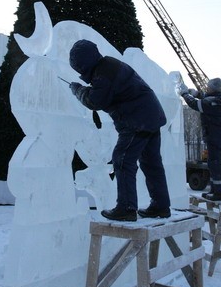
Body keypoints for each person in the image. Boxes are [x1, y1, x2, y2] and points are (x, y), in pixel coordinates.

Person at [69, 39, 171, 222]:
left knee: (122, 160)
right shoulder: (108, 66)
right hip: (150, 116)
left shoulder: (103, 73)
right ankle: (161, 206)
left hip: (136, 120)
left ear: (83, 63)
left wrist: (78, 90)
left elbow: (95, 101)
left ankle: (126, 207)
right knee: (151, 163)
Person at [179, 77, 221, 201]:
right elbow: (206, 97)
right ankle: (215, 190)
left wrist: (185, 94)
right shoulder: (219, 98)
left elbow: (196, 104)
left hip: (215, 135)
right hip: (217, 134)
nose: (206, 88)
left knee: (215, 162)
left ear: (213, 88)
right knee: (213, 162)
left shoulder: (212, 102)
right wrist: (196, 93)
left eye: (208, 87)